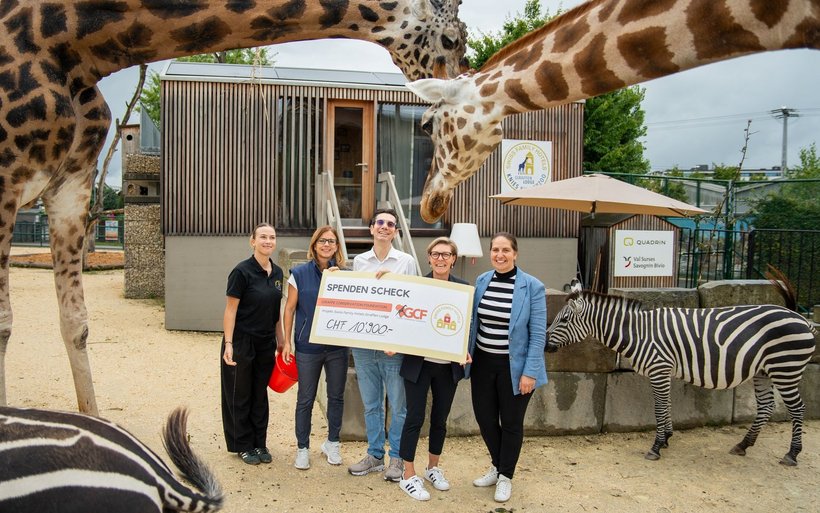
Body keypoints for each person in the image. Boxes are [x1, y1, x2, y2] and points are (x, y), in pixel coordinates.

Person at [465, 232, 547, 503]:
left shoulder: (532, 286)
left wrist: (530, 372)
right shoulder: (482, 280)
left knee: (511, 423)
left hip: (515, 367)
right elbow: (473, 322)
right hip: (483, 363)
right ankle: (498, 466)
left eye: (505, 250)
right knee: (485, 419)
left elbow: (538, 334)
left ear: (515, 253)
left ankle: (505, 477)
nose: (500, 255)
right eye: (495, 250)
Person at [348, 208, 418, 482]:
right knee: (371, 404)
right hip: (364, 345)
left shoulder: (406, 261)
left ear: (396, 231)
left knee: (398, 405)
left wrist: (394, 282)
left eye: (390, 224)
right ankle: (375, 455)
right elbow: (355, 299)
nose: (384, 227)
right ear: (371, 228)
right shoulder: (359, 261)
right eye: (380, 222)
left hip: (393, 346)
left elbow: (413, 300)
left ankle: (397, 458)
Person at [397, 237, 469, 501]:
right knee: (414, 417)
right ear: (428, 258)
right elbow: (402, 318)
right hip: (419, 364)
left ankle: (432, 468)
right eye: (436, 254)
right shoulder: (417, 286)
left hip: (448, 367)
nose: (440, 259)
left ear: (453, 259)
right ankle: (407, 474)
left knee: (440, 419)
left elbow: (468, 324)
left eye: (446, 254)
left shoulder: (463, 290)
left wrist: (466, 348)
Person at [281, 226, 347, 470]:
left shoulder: (346, 275)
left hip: (337, 347)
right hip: (307, 345)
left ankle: (333, 443)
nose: (327, 245)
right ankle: (302, 448)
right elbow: (289, 309)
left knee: (336, 397)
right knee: (305, 399)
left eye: (331, 241)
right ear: (314, 244)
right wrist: (287, 341)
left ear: (337, 246)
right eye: (322, 240)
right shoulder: (299, 273)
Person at [221, 223, 285, 466]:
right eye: (263, 237)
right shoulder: (241, 272)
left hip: (265, 342)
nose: (268, 241)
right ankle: (243, 444)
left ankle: (259, 442)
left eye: (272, 237)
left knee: (260, 394)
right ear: (253, 241)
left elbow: (275, 312)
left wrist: (281, 340)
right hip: (241, 340)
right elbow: (230, 310)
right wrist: (229, 344)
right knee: (240, 393)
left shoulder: (277, 273)